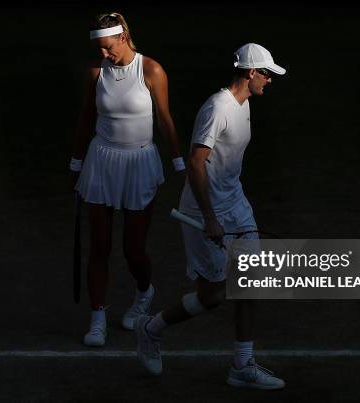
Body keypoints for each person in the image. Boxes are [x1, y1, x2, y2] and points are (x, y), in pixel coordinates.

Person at [135, 43, 286, 389]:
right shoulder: (218, 108)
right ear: (250, 73)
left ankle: (242, 365)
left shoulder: (244, 104)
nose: (270, 80)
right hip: (206, 211)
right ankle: (150, 328)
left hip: (235, 205)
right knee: (213, 296)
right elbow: (195, 163)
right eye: (266, 73)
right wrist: (210, 218)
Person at [70, 12, 183, 347]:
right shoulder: (95, 73)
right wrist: (76, 163)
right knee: (100, 246)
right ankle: (97, 319)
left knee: (133, 249)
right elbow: (86, 117)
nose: (104, 55)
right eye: (99, 49)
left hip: (139, 164)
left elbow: (165, 120)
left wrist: (180, 165)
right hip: (101, 162)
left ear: (122, 37)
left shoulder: (151, 70)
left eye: (107, 47)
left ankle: (144, 293)